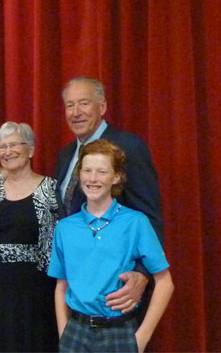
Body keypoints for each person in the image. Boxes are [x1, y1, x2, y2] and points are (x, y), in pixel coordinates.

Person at [48, 139, 174, 352]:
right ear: (78, 174)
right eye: (87, 171)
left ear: (116, 177)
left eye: (102, 172)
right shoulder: (65, 228)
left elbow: (165, 283)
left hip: (119, 331)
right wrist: (64, 333)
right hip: (76, 332)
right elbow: (62, 286)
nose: (93, 178)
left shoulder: (136, 222)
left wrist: (142, 337)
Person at [54, 76, 164, 314]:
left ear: (102, 107)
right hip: (75, 290)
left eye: (84, 103)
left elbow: (149, 216)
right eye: (70, 105)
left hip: (117, 292)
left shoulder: (129, 147)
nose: (76, 112)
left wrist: (141, 274)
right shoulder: (65, 156)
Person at [0, 122, 59, 352]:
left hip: (36, 291)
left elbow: (57, 243)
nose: (7, 151)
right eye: (2, 147)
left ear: (31, 150)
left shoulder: (50, 189)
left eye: (14, 145)